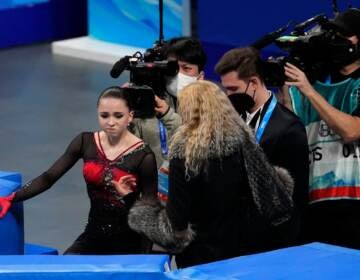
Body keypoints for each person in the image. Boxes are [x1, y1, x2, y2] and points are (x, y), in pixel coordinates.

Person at [116, 80, 295, 268]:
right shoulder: (243, 141)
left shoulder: (184, 155)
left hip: (199, 260)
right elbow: (271, 192)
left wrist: (135, 206)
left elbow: (175, 229)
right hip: (241, 254)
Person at [0, 86, 158, 254]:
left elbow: (150, 213)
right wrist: (13, 197)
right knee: (65, 270)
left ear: (130, 116)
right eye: (104, 115)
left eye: (118, 116)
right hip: (93, 236)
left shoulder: (143, 156)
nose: (110, 122)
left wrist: (145, 260)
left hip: (129, 243)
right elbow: (49, 177)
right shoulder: (85, 141)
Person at [280, 8, 360, 249]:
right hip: (314, 204)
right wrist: (289, 85)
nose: (337, 40)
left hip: (354, 206)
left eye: (344, 34)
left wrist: (308, 90)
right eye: (334, 33)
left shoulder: (315, 89)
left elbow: (351, 131)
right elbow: (292, 132)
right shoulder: (313, 85)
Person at [214, 47, 309, 248]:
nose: (228, 96)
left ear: (254, 83)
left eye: (233, 89)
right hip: (235, 237)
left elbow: (295, 199)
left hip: (272, 241)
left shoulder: (289, 127)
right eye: (225, 89)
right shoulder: (230, 122)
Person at [130, 37, 207, 169]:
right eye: (173, 68)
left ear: (200, 76)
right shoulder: (148, 102)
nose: (178, 75)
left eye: (186, 68)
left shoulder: (211, 109)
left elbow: (199, 150)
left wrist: (167, 115)